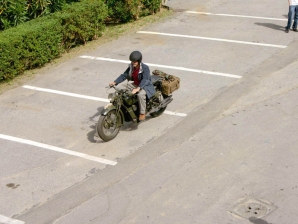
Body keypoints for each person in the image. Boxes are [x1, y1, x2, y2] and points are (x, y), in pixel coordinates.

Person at [109, 51, 155, 121]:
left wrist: (138, 88)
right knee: (120, 88)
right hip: (135, 84)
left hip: (145, 86)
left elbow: (145, 79)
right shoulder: (131, 67)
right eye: (132, 61)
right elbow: (124, 75)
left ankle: (142, 113)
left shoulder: (145, 68)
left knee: (140, 95)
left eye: (135, 61)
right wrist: (115, 82)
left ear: (139, 61)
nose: (133, 63)